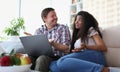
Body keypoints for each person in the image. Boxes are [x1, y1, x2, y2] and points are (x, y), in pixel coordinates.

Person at [24, 8, 71, 72]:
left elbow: (66, 47)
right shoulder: (39, 30)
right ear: (44, 18)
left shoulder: (63, 28)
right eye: (52, 16)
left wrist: (53, 44)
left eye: (55, 15)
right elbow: (36, 49)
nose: (55, 17)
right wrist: (31, 40)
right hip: (39, 55)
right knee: (28, 58)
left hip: (56, 57)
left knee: (42, 59)